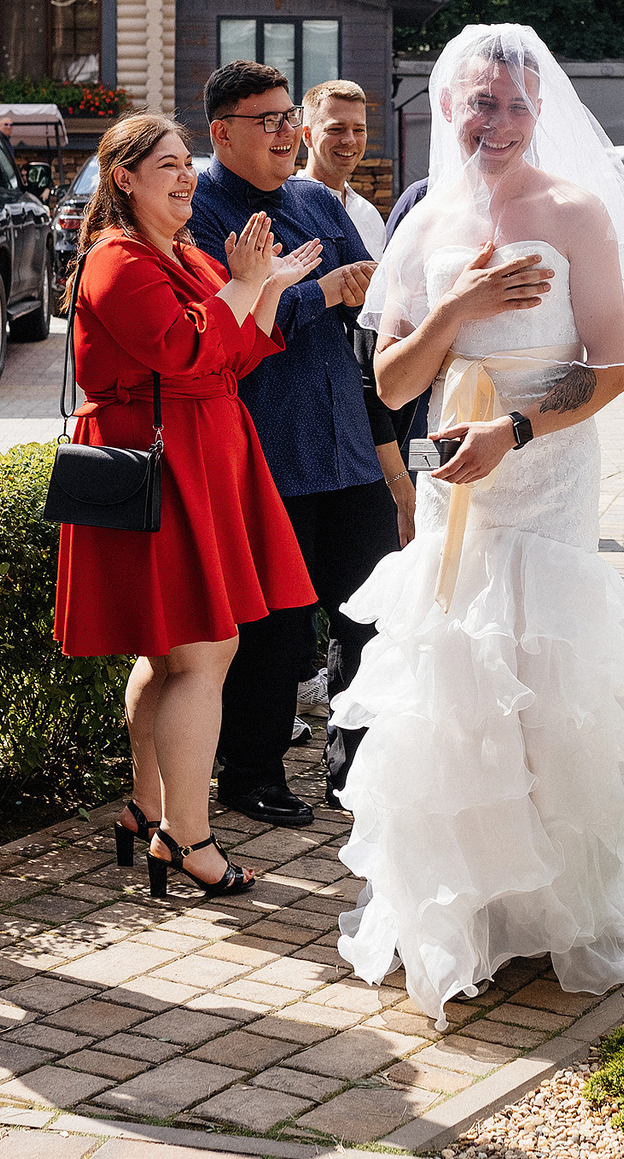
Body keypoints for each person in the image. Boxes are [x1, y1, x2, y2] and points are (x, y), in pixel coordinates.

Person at [332, 22, 624, 1026]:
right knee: (453, 674)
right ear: (450, 105)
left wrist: (518, 427)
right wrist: (459, 308)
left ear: (543, 112)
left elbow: (609, 368)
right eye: (479, 101)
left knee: (540, 679)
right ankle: (467, 905)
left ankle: (552, 904)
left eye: (515, 103)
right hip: (455, 475)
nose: (495, 121)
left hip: (544, 464)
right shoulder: (423, 223)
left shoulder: (574, 212)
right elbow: (394, 378)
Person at [55, 112, 323, 896]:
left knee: (173, 653)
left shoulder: (187, 253)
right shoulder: (116, 260)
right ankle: (186, 834)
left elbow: (236, 349)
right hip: (165, 460)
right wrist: (245, 287)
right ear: (124, 178)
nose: (184, 177)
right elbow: (181, 349)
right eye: (166, 164)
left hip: (204, 450)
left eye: (186, 164)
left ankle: (146, 811)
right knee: (203, 652)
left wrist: (265, 288)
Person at [186, 60, 399, 821]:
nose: (287, 133)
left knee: (369, 618)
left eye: (287, 119)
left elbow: (364, 298)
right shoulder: (201, 208)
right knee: (272, 630)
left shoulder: (313, 198)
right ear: (221, 133)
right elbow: (228, 321)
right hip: (267, 449)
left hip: (344, 444)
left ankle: (358, 771)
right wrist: (319, 291)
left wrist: (364, 289)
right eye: (267, 120)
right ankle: (250, 774)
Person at [297, 79, 389, 259]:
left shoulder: (369, 214)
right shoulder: (286, 209)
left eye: (359, 130)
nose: (350, 140)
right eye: (336, 129)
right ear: (307, 136)